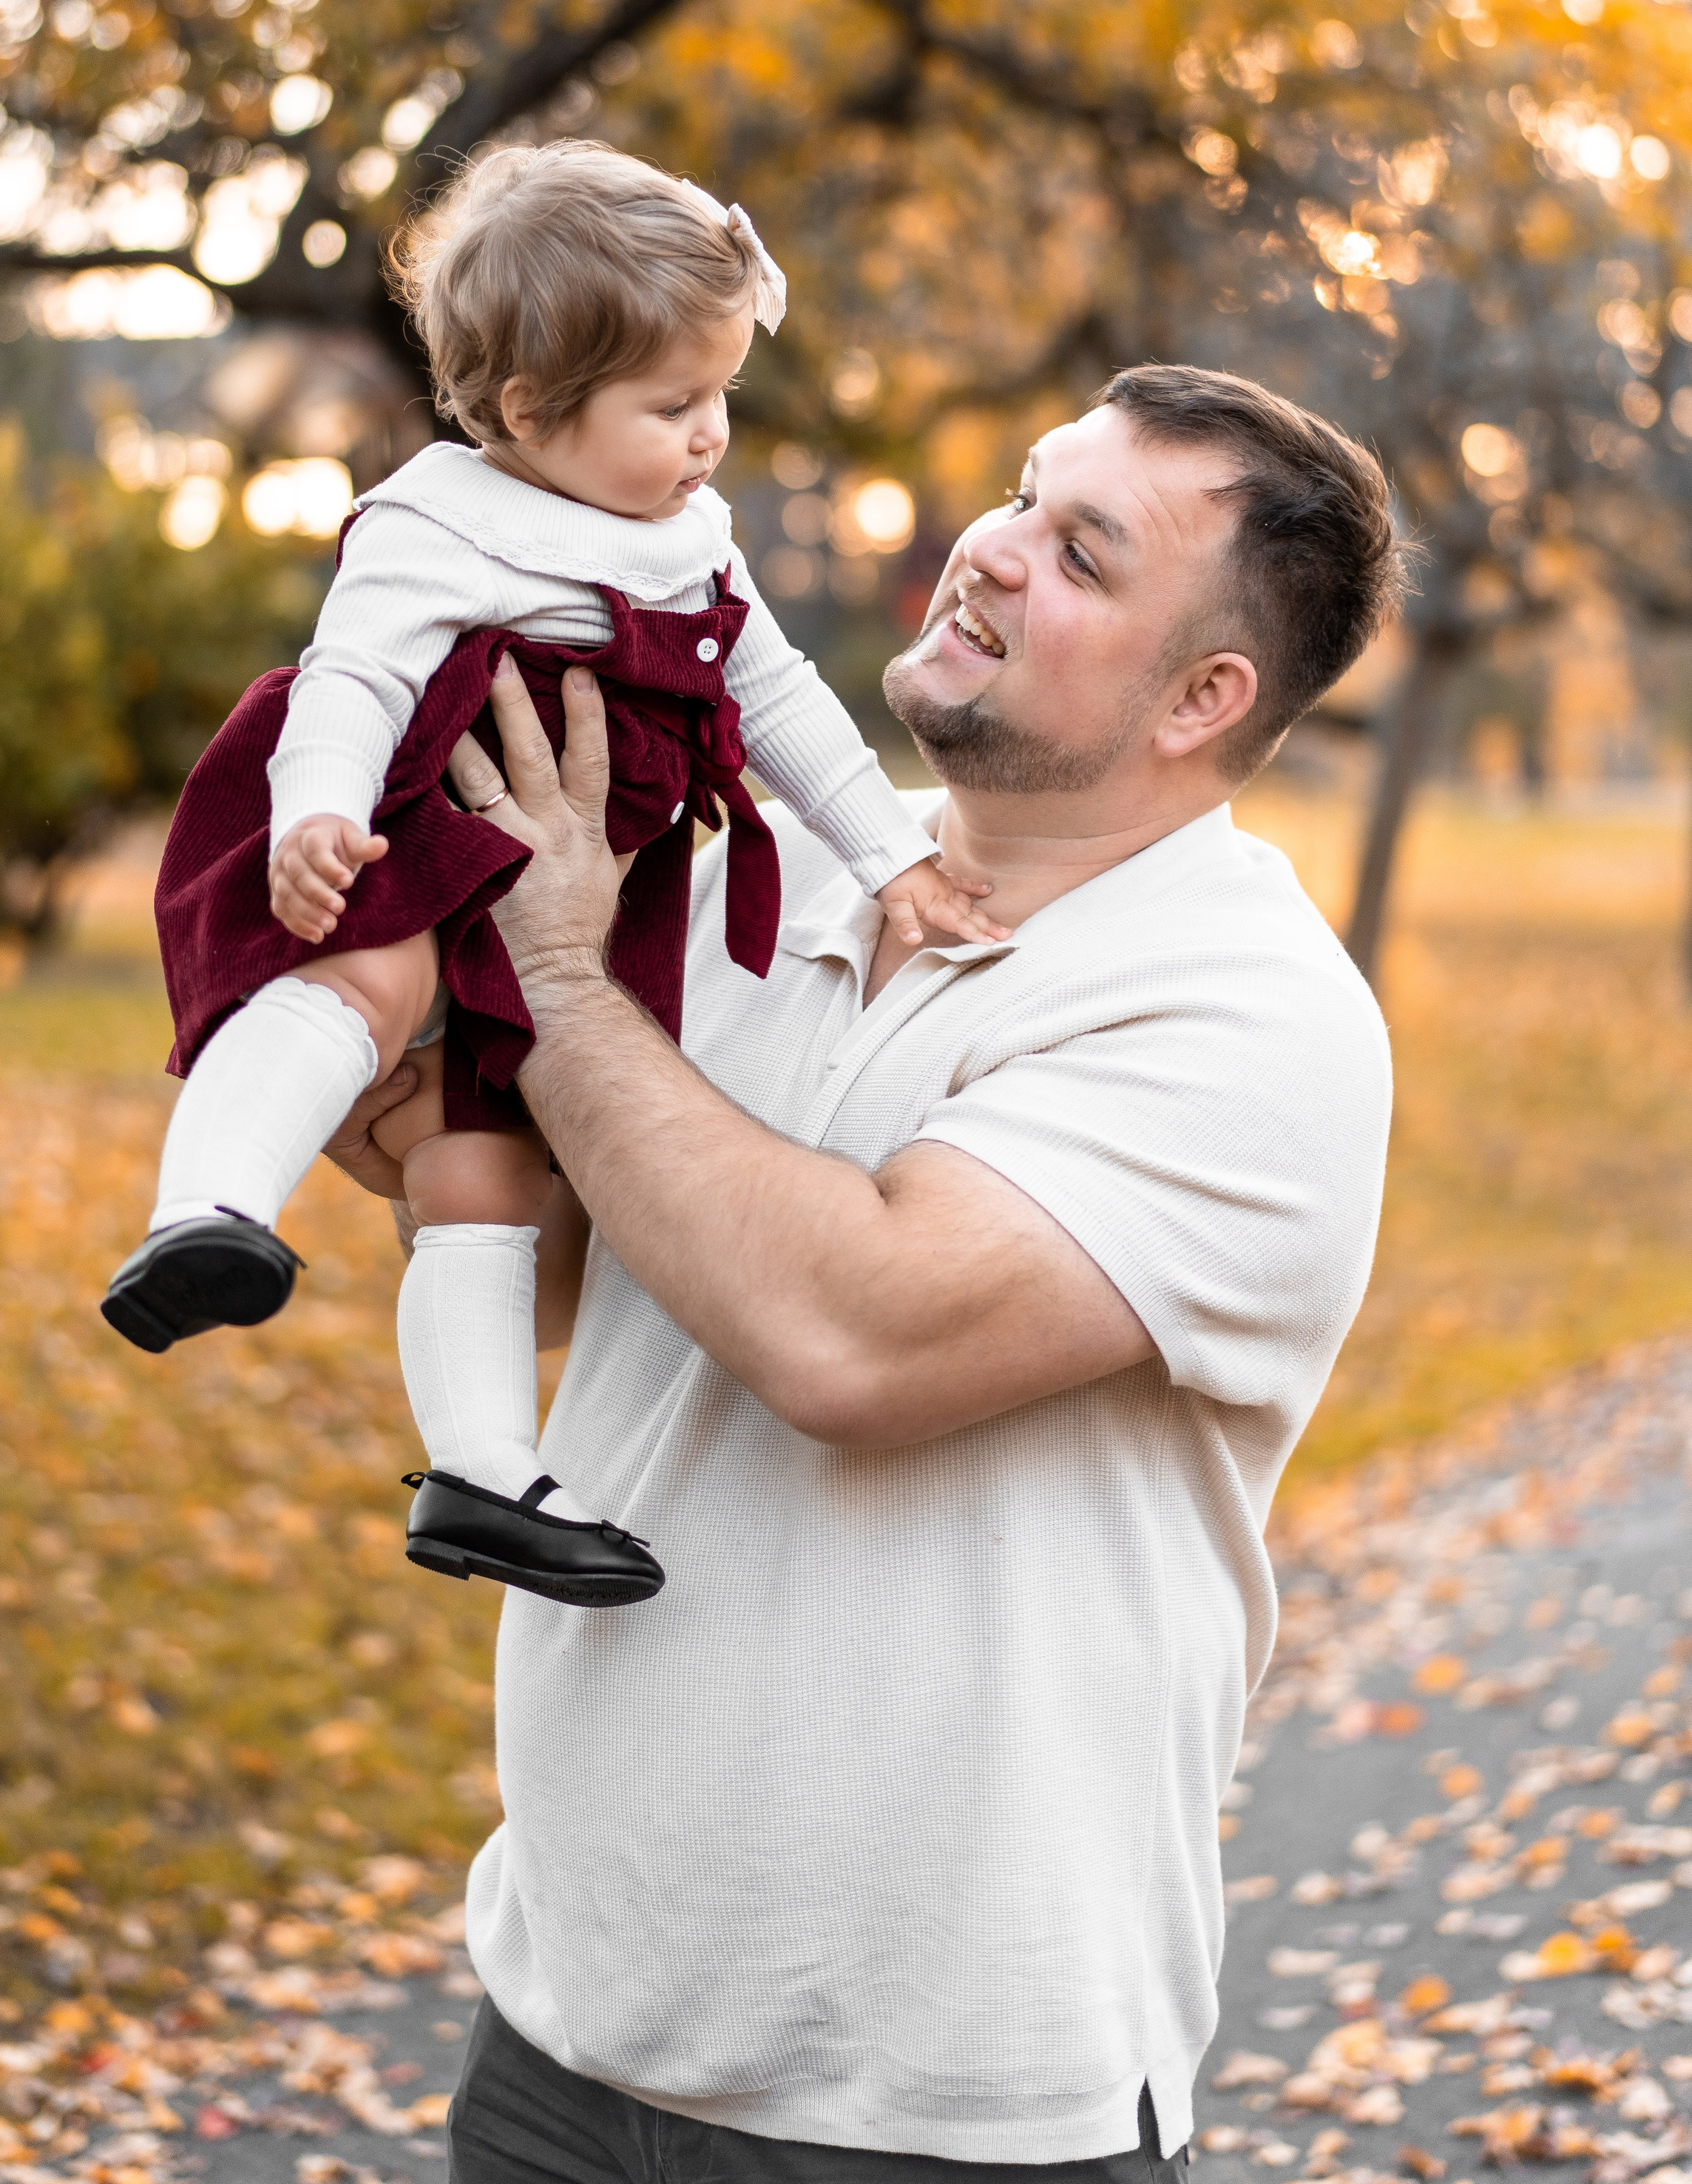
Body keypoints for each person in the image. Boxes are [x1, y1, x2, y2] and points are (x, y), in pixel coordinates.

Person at [327, 363, 1403, 2184]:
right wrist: (424, 1128)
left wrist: (561, 983)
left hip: (940, 2099)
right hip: (569, 2016)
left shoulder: (1248, 1011)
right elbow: (608, 1273)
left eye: (1080, 551)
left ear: (1200, 698)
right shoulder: (773, 869)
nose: (989, 548)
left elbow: (850, 1334)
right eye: (1020, 489)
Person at [99, 142, 999, 1607]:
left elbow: (776, 699)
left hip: (569, 885)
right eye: (672, 405)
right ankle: (208, 1211)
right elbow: (348, 678)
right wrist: (318, 812)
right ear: (528, 411)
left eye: (720, 394)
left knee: (490, 1164)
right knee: (367, 985)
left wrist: (891, 855)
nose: (711, 434)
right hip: (415, 826)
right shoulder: (438, 518)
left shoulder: (692, 539)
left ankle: (482, 1471)